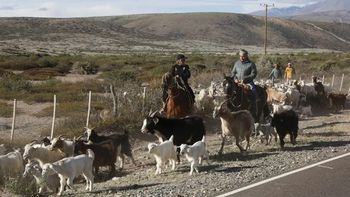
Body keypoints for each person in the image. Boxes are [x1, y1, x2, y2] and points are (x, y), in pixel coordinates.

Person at [231, 49, 257, 118]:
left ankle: (254, 110)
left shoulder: (251, 64)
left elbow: (254, 74)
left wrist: (245, 79)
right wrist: (235, 79)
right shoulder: (237, 63)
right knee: (229, 91)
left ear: (246, 56)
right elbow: (233, 73)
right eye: (240, 56)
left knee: (253, 92)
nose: (241, 58)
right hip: (237, 82)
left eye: (243, 56)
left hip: (248, 82)